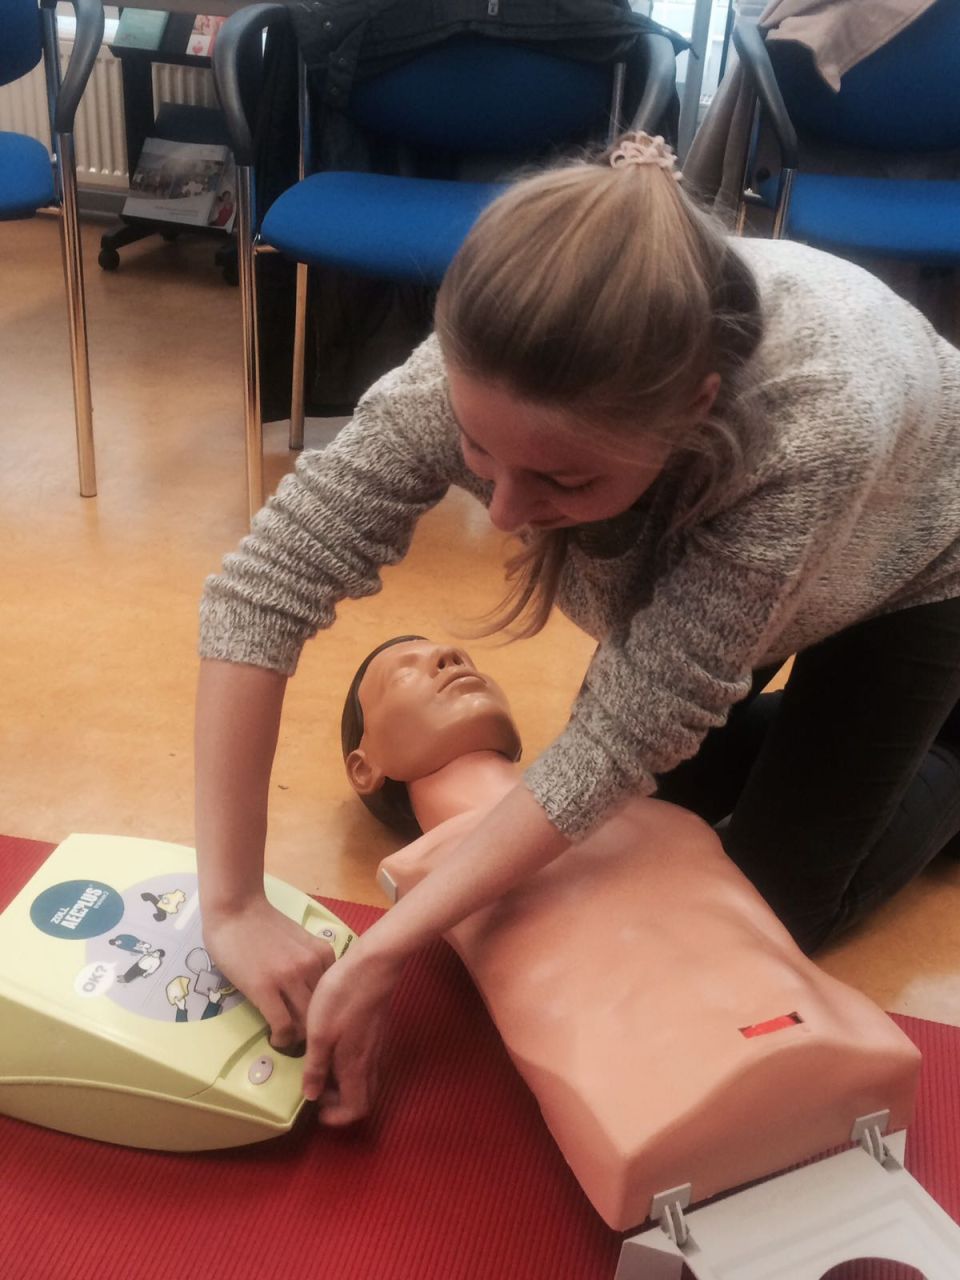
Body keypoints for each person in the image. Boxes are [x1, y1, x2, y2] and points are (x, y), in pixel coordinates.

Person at [195, 131, 960, 1125]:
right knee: (635, 834)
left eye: (562, 478)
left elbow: (622, 735)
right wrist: (231, 904)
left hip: (919, 559)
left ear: (693, 410)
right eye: (480, 455)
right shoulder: (468, 375)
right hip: (761, 550)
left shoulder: (811, 425)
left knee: (765, 913)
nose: (505, 513)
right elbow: (262, 590)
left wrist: (389, 948)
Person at [340, 636, 919, 1229]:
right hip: (656, 1110)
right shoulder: (427, 872)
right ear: (364, 767)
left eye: (459, 655)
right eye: (402, 673)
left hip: (831, 1035)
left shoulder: (642, 803)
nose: (449, 658)